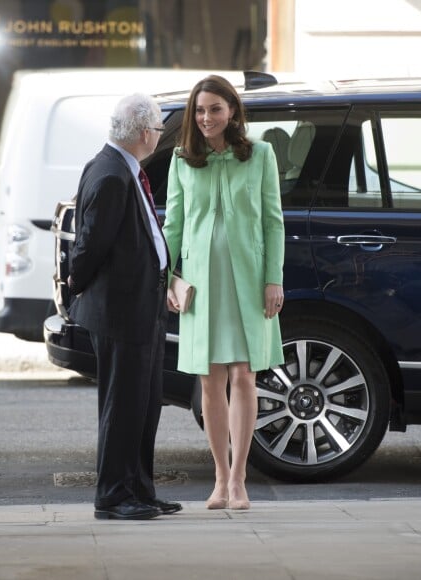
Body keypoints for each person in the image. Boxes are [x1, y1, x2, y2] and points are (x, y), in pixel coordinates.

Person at [163, 75, 285, 510]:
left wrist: (274, 278)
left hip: (248, 281)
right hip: (200, 285)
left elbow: (273, 221)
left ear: (232, 110)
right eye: (199, 110)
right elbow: (172, 226)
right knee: (210, 382)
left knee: (244, 376)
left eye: (215, 108)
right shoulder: (182, 159)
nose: (206, 117)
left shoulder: (261, 155)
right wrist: (168, 279)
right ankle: (218, 478)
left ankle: (239, 479)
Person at [68, 93, 181, 520]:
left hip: (142, 309)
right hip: (120, 312)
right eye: (156, 130)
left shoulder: (122, 168)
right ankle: (113, 496)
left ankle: (140, 489)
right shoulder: (112, 173)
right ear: (141, 133)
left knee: (144, 405)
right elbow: (89, 246)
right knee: (123, 406)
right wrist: (76, 287)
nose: (157, 137)